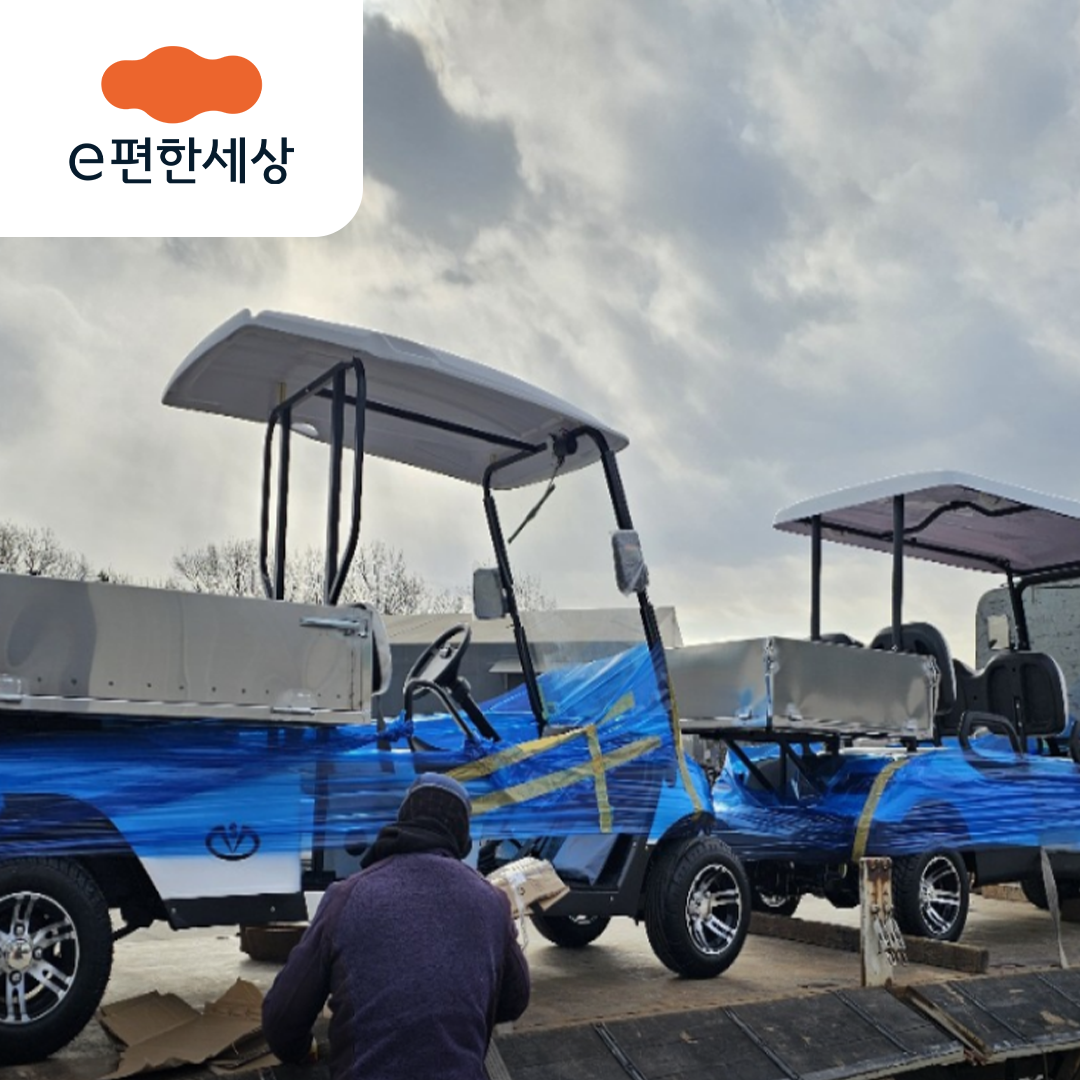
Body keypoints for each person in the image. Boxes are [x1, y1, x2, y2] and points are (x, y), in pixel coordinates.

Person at [262, 772, 530, 1078]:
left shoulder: (346, 896)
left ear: (402, 822)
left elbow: (281, 1021)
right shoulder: (492, 901)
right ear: (463, 841)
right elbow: (515, 1000)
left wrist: (301, 1050)